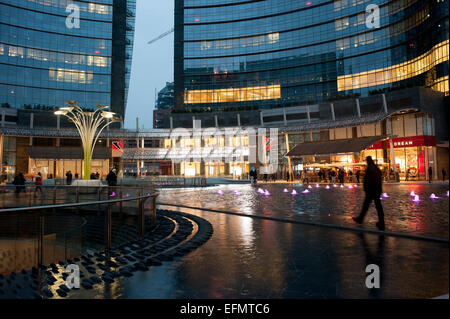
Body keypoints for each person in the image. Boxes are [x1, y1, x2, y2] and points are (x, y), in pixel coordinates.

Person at [352, 156, 385, 230]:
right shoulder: (375, 167)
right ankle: (381, 221)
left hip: (372, 190)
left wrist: (366, 188)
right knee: (377, 206)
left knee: (367, 205)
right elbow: (379, 177)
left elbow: (369, 179)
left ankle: (361, 219)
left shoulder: (370, 168)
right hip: (376, 189)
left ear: (368, 161)